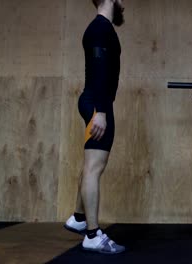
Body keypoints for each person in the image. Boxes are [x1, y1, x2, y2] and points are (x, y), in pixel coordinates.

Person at [63, 0, 125, 254]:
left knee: (91, 165)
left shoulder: (102, 28)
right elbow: (99, 70)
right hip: (97, 103)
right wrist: (99, 111)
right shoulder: (99, 28)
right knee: (94, 167)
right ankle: (92, 234)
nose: (124, 3)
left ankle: (78, 218)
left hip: (96, 102)